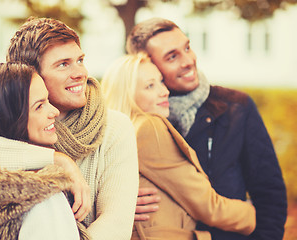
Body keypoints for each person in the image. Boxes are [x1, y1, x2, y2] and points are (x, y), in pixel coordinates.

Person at [0, 17, 139, 240]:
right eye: (63, 64)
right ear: (28, 74)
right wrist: (58, 160)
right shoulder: (6, 125)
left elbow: (115, 224)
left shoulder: (115, 127)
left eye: (80, 60)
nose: (81, 73)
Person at [126, 18, 287, 240]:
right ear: (149, 64)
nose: (189, 60)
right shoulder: (137, 121)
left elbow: (269, 193)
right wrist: (120, 201)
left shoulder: (235, 107)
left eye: (187, 48)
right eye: (172, 56)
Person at [101, 53, 256, 240]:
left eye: (160, 82)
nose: (164, 91)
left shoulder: (121, 132)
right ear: (127, 95)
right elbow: (207, 205)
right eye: (150, 86)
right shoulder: (150, 127)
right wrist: (252, 213)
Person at [0, 62, 87, 239]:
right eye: (39, 106)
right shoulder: (43, 198)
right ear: (10, 119)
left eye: (48, 100)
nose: (54, 111)